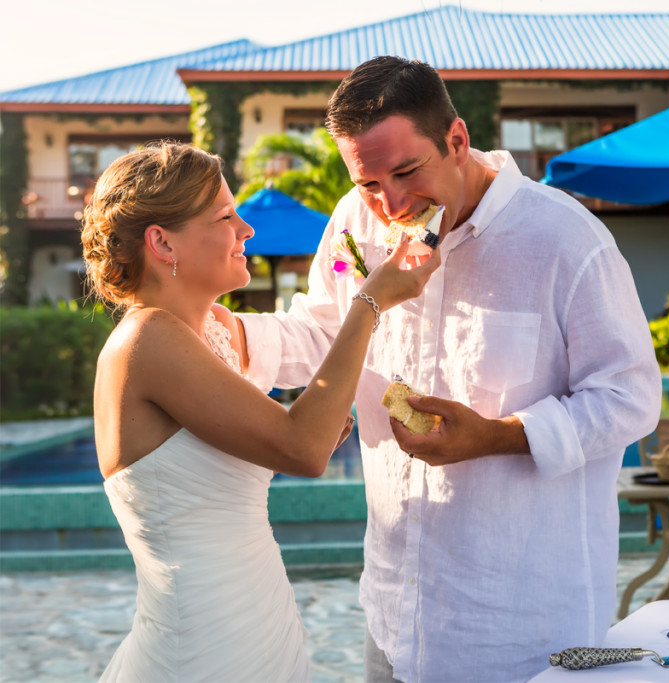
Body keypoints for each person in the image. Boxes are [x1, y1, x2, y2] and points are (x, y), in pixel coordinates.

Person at [238, 56, 662, 682]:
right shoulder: (355, 224)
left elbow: (630, 397)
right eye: (369, 183)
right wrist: (218, 332)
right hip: (393, 615)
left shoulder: (567, 240)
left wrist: (496, 436)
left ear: (457, 140)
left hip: (521, 628)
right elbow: (326, 331)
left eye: (407, 172)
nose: (391, 205)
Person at [81, 141, 438, 682]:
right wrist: (369, 299)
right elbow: (303, 448)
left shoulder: (216, 331)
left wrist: (415, 251)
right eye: (226, 215)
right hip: (203, 641)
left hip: (260, 618)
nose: (247, 229)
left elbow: (295, 412)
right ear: (161, 241)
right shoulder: (147, 339)